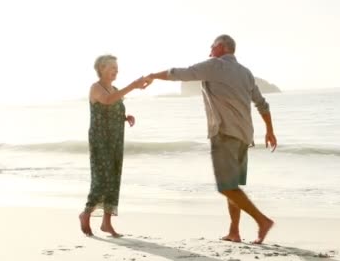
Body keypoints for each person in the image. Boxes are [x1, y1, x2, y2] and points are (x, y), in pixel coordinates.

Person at [145, 34, 278, 244]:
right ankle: (234, 231)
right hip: (244, 136)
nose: (209, 50)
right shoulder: (246, 73)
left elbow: (182, 73)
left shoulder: (215, 65)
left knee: (226, 186)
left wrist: (152, 75)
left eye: (212, 46)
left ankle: (262, 221)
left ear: (222, 47)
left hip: (225, 133)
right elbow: (262, 104)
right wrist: (270, 130)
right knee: (233, 186)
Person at [79, 54, 149, 237]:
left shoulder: (115, 89)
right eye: (112, 67)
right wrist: (133, 86)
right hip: (100, 140)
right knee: (101, 180)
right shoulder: (96, 88)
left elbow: (113, 108)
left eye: (117, 68)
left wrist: (126, 117)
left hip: (116, 139)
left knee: (114, 179)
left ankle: (106, 223)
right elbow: (107, 101)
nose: (115, 71)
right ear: (101, 68)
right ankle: (86, 214)